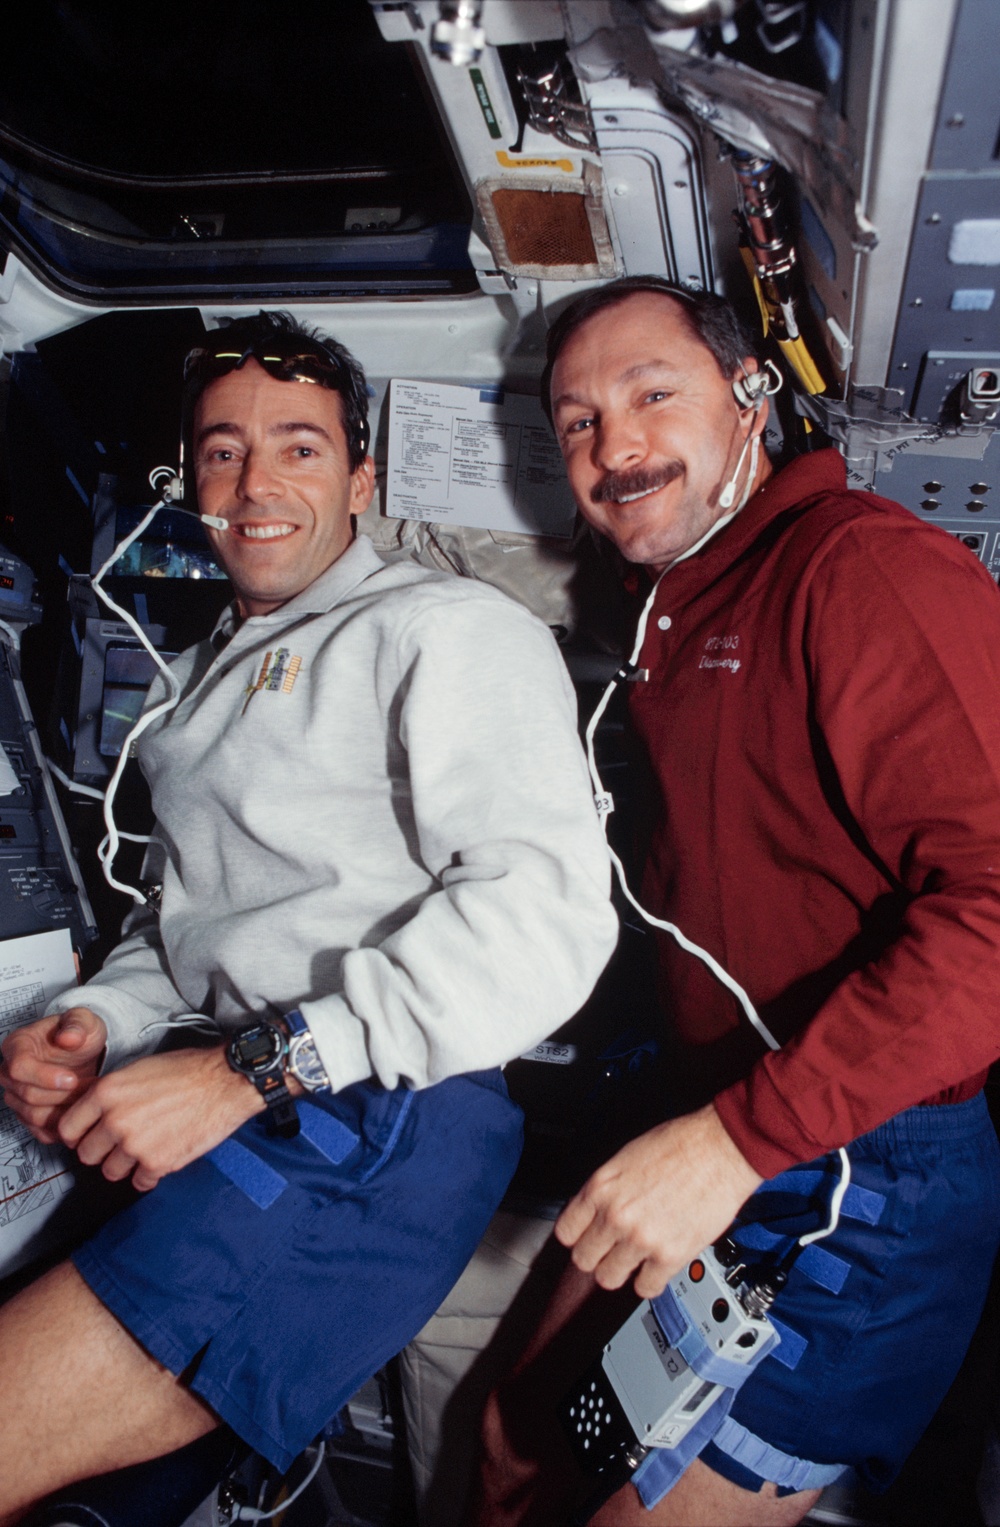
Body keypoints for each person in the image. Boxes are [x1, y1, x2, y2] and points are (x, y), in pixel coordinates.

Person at [0, 309, 618, 1523]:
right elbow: (183, 931)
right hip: (247, 1090)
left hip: (375, 1117)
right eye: (223, 450)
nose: (256, 480)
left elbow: (543, 914)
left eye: (298, 445)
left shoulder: (442, 631)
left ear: (361, 478)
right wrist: (92, 1020)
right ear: (191, 482)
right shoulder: (196, 695)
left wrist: (249, 1071)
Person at [467, 276, 1000, 1527]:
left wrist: (735, 1143)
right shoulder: (681, 615)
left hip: (866, 1172)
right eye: (581, 421)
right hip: (721, 1109)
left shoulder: (858, 569)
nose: (616, 446)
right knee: (511, 1443)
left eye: (653, 395)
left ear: (752, 397)